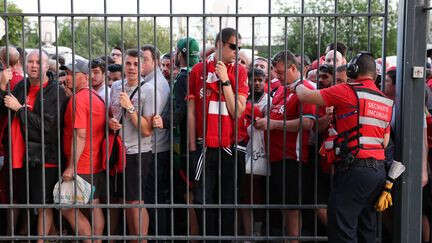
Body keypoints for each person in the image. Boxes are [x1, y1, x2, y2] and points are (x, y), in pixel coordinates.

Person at [293, 52, 393, 243]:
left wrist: (299, 84)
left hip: (353, 168)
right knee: (367, 227)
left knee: (342, 228)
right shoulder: (384, 100)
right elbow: (385, 141)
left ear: (353, 70)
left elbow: (305, 96)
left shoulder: (347, 90)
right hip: (378, 171)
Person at [187, 27, 249, 239]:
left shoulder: (240, 72)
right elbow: (191, 112)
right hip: (204, 146)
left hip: (229, 147)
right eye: (233, 46)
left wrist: (224, 81)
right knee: (203, 200)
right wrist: (193, 147)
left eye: (239, 47)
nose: (236, 51)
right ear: (219, 45)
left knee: (228, 201)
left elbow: (237, 111)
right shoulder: (197, 70)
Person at [0, 50, 67, 243]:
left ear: (47, 66)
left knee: (44, 204)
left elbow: (48, 128)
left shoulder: (55, 91)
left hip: (45, 157)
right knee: (27, 201)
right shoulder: (22, 85)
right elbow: (5, 109)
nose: (34, 65)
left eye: (39, 62)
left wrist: (20, 109)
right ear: (25, 64)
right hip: (22, 156)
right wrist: (3, 86)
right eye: (30, 61)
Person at [254, 50, 316, 243]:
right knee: (284, 203)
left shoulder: (304, 88)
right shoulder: (281, 89)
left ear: (292, 68)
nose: (277, 77)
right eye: (276, 73)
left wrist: (273, 124)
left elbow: (307, 123)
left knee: (292, 206)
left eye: (280, 73)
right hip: (276, 156)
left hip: (293, 157)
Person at [152, 37, 201, 241]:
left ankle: (193, 234)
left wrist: (162, 121)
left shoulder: (183, 77)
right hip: (200, 139)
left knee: (188, 192)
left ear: (180, 54)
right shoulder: (200, 73)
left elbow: (178, 111)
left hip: (183, 143)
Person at [109, 49, 155, 242]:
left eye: (136, 64)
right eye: (128, 63)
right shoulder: (116, 86)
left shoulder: (148, 90)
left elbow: (146, 129)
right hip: (117, 149)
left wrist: (129, 107)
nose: (131, 68)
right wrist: (111, 122)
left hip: (138, 152)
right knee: (124, 201)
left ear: (143, 66)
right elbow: (111, 114)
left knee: (136, 201)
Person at [61, 59, 106, 243]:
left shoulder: (78, 99)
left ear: (85, 77)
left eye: (72, 74)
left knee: (66, 206)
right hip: (95, 161)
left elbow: (80, 135)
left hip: (82, 164)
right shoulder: (96, 97)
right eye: (67, 73)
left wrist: (71, 167)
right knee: (94, 205)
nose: (67, 77)